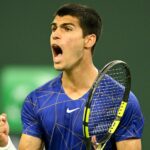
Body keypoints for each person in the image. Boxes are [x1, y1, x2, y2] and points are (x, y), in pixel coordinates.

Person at [0, 3, 144, 150]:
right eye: (54, 28)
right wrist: (5, 145)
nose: (55, 34)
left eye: (67, 28)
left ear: (89, 40)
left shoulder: (120, 101)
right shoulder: (36, 100)